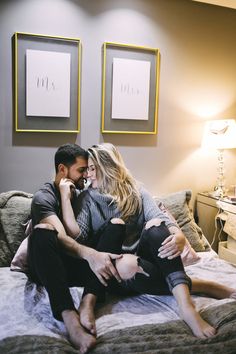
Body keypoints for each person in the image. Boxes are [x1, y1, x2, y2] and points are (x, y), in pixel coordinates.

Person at [60, 143, 236, 345]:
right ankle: (201, 285)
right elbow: (78, 238)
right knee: (127, 263)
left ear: (108, 168)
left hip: (149, 258)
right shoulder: (87, 199)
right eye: (87, 169)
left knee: (155, 224)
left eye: (92, 169)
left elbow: (161, 219)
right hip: (116, 267)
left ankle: (186, 307)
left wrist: (178, 235)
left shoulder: (136, 191)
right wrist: (66, 200)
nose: (87, 175)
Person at [27, 143, 124, 354]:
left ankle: (88, 301)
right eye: (81, 170)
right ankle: (69, 318)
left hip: (76, 268)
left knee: (116, 226)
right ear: (63, 170)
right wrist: (92, 255)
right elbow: (62, 236)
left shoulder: (84, 195)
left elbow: (84, 233)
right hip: (47, 267)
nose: (85, 176)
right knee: (44, 230)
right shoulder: (43, 197)